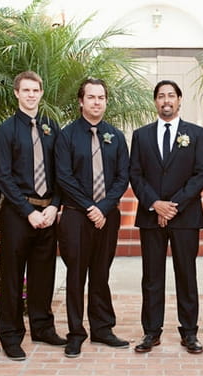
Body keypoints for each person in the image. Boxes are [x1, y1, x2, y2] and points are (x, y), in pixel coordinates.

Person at [130, 80, 203, 354]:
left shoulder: (197, 134)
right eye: (161, 96)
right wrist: (155, 203)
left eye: (171, 96)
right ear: (155, 102)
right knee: (152, 277)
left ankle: (190, 332)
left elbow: (201, 174)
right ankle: (151, 332)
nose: (166, 100)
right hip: (150, 216)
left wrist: (172, 205)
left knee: (186, 275)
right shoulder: (141, 136)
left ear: (179, 100)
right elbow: (135, 174)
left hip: (185, 216)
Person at [0, 71, 66, 360]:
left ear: (41, 92)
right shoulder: (7, 130)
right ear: (16, 93)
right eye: (26, 90)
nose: (31, 95)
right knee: (13, 276)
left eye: (35, 90)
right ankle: (10, 335)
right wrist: (28, 211)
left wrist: (54, 206)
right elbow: (3, 175)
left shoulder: (51, 127)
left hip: (47, 213)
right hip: (17, 213)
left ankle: (42, 327)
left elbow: (62, 171)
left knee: (43, 274)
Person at [55, 78, 130, 358]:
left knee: (101, 273)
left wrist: (105, 206)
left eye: (101, 97)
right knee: (76, 275)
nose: (97, 102)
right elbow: (64, 176)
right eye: (91, 97)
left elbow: (123, 176)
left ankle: (102, 328)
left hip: (108, 217)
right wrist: (90, 207)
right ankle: (76, 333)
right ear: (81, 101)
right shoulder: (67, 136)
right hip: (76, 216)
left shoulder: (116, 136)